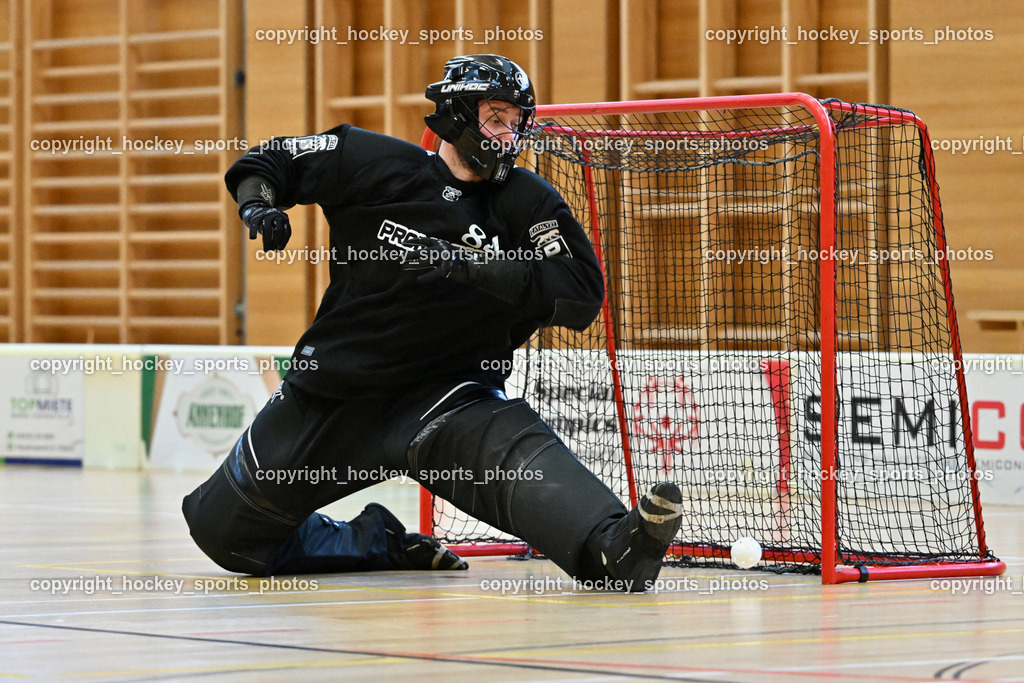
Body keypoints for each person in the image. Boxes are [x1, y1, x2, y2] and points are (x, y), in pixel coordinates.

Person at [182, 54, 682, 590]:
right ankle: (379, 542)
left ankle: (615, 545)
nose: (508, 134)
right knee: (222, 532)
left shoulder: (528, 202)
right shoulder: (370, 161)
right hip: (332, 396)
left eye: (518, 122)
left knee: (606, 551)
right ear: (456, 113)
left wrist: (471, 265)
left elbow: (581, 296)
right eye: (496, 117)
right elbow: (268, 161)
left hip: (450, 405)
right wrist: (259, 206)